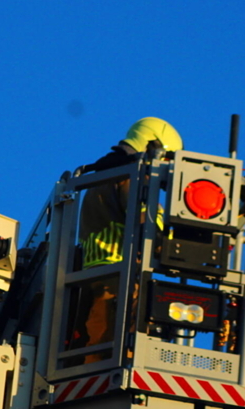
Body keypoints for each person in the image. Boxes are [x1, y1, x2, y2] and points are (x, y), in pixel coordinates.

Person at [68, 118, 184, 356]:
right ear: (153, 146)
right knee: (122, 353)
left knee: (99, 348)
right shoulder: (132, 178)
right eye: (168, 158)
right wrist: (182, 250)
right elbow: (147, 230)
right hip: (119, 281)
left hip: (101, 278)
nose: (167, 168)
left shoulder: (101, 176)